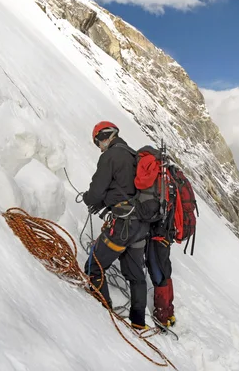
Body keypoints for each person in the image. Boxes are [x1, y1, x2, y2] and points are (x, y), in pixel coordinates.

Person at [83, 121, 150, 330]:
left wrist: (89, 199)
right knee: (136, 275)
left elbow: (96, 192)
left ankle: (104, 317)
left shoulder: (110, 156)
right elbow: (125, 188)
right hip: (140, 226)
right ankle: (139, 323)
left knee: (94, 267)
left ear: (106, 136)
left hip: (122, 226)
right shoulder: (132, 155)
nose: (98, 146)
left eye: (98, 141)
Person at [145, 219, 176, 328]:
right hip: (165, 234)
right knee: (165, 270)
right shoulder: (171, 201)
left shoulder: (162, 201)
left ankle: (161, 316)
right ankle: (168, 311)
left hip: (158, 234)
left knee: (158, 272)